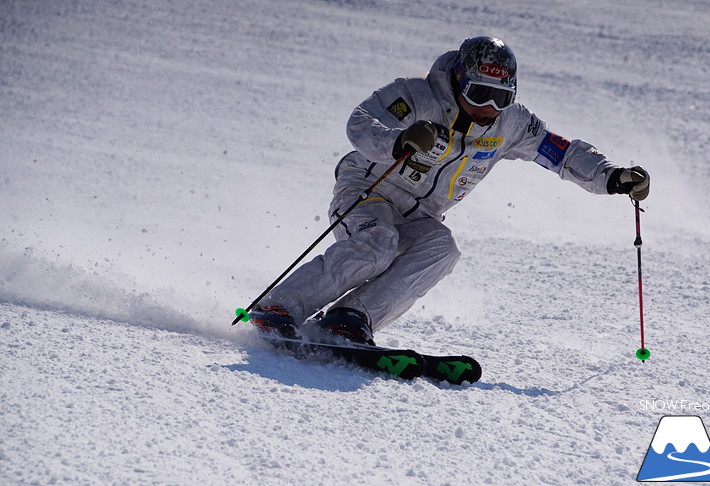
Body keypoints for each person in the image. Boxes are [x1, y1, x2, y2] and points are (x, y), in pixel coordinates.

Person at [248, 36, 650, 345]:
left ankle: (350, 318)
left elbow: (560, 153)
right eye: (480, 93)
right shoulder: (414, 96)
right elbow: (360, 122)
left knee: (442, 250)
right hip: (370, 188)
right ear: (459, 80)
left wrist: (612, 177)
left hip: (421, 215)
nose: (488, 106)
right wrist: (399, 139)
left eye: (501, 97)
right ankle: (278, 306)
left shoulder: (509, 124)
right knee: (377, 244)